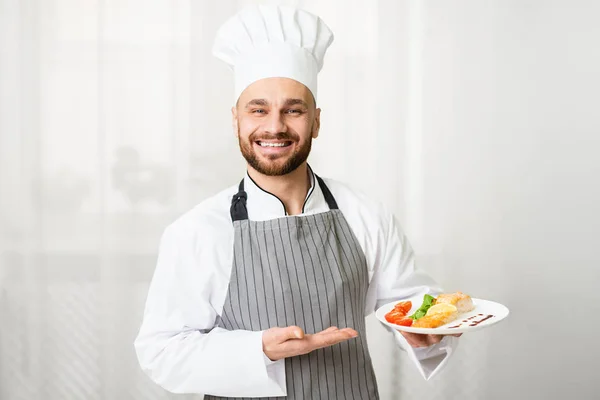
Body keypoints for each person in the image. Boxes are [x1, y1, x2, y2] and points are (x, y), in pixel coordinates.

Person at [134, 5, 459, 399]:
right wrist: (258, 351)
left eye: (294, 110)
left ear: (316, 121)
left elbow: (411, 305)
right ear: (236, 120)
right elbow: (161, 353)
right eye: (259, 110)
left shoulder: (365, 214)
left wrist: (425, 332)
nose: (275, 126)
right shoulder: (196, 232)